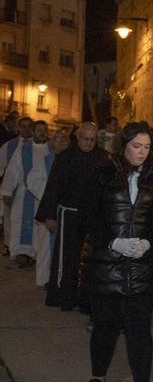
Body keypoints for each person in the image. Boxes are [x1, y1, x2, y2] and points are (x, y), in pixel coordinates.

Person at [80, 121, 153, 382]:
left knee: (139, 328)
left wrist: (147, 242)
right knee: (105, 326)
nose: (142, 152)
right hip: (106, 267)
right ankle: (97, 377)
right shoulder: (102, 176)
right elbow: (88, 217)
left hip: (143, 269)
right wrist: (112, 242)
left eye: (147, 147)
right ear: (123, 146)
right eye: (136, 146)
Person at [37, 122, 109, 310]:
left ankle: (88, 301)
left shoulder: (103, 158)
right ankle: (64, 297)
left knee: (92, 260)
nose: (89, 143)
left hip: (93, 217)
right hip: (69, 215)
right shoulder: (65, 157)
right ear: (77, 138)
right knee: (67, 258)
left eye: (93, 140)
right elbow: (53, 186)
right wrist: (49, 215)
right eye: (85, 139)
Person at [1, 119, 53, 274]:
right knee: (20, 223)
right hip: (24, 195)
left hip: (46, 194)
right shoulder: (23, 149)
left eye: (45, 130)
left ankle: (38, 255)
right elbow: (12, 170)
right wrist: (7, 191)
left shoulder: (52, 148)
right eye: (39, 130)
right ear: (34, 132)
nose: (42, 133)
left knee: (41, 228)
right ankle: (23, 253)